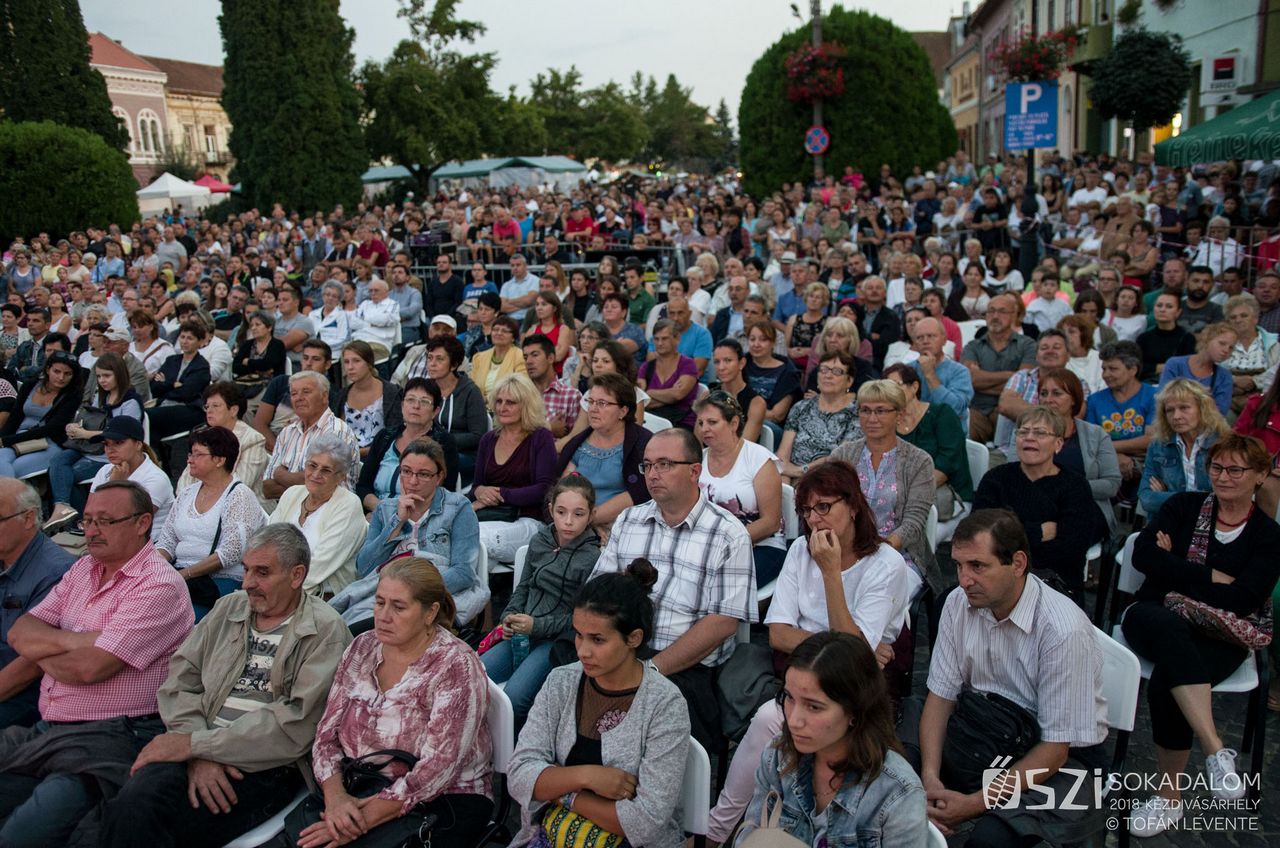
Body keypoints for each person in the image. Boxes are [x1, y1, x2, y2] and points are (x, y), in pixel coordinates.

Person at [100, 524, 353, 848]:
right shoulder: (229, 609)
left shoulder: (325, 630)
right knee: (126, 800)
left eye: (262, 573)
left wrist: (198, 746)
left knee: (144, 812)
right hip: (196, 738)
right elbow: (181, 680)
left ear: (296, 575)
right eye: (246, 570)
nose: (247, 583)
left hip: (265, 767)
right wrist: (197, 747)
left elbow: (296, 725)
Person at [707, 464, 918, 843]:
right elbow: (777, 634)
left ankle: (717, 830)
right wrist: (846, 644)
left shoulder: (885, 564)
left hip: (853, 689)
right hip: (799, 675)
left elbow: (853, 661)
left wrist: (831, 573)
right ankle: (729, 827)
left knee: (771, 718)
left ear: (852, 506)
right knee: (774, 718)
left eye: (824, 507)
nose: (813, 520)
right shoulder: (800, 551)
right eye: (806, 510)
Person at [0, 482, 193, 846]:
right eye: (87, 520)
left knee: (20, 836)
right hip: (49, 729)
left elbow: (89, 669)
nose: (91, 531)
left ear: (142, 523)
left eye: (105, 521)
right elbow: (19, 631)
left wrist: (45, 649)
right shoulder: (83, 570)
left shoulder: (158, 586)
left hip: (109, 737)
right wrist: (75, 641)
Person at [906, 508, 1108, 846]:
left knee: (990, 839)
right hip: (983, 727)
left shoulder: (1062, 631)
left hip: (1059, 757)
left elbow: (1055, 750)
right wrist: (929, 779)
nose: (964, 580)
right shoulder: (957, 602)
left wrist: (973, 804)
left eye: (977, 566)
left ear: (1017, 563)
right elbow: (940, 699)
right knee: (895, 768)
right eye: (958, 565)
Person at [1122, 434, 1280, 835]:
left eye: (1235, 470)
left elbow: (1243, 600)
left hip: (1221, 634)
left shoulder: (1269, 536)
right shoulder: (1184, 506)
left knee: (1167, 679)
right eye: (1217, 468)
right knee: (1170, 628)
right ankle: (1214, 748)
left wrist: (1173, 568)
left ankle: (1169, 798)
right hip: (1153, 613)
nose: (1223, 477)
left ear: (1260, 475)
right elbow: (1143, 556)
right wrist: (1211, 576)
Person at [291, 558, 493, 848]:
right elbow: (326, 734)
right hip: (360, 782)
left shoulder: (455, 665)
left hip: (442, 799)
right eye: (379, 603)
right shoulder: (362, 647)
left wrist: (358, 823)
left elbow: (437, 769)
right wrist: (336, 800)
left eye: (398, 607)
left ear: (430, 612)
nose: (383, 616)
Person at [590, 428, 755, 748]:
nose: (653, 474)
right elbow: (599, 592)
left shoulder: (728, 534)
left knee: (631, 738)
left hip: (684, 667)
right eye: (648, 465)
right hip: (622, 651)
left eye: (664, 464)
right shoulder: (629, 520)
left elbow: (723, 623)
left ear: (695, 471)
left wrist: (650, 670)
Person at [507, 559, 690, 848]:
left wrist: (560, 791)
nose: (583, 651)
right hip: (550, 836)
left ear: (634, 638)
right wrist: (588, 777)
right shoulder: (561, 681)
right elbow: (519, 776)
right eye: (578, 635)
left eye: (598, 640)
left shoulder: (665, 704)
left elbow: (646, 822)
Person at [733, 633, 926, 848]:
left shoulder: (898, 792)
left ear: (855, 710)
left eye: (814, 707)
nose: (794, 720)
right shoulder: (778, 755)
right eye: (789, 697)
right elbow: (750, 838)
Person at [484, 476, 602, 721]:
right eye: (561, 512)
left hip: (555, 641)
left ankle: (518, 745)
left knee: (514, 698)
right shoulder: (539, 540)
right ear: (551, 510)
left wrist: (536, 625)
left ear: (591, 515)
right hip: (522, 632)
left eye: (578, 514)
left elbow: (581, 618)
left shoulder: (593, 558)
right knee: (474, 675)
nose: (568, 521)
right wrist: (508, 616)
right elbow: (523, 586)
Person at [974, 408, 1101, 595]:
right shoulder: (996, 479)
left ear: (1058, 444)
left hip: (1053, 584)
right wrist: (1038, 532)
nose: (1029, 438)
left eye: (1040, 433)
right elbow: (978, 534)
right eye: (1023, 432)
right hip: (995, 579)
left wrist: (1007, 541)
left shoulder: (1075, 487)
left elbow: (1070, 551)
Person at [156, 426, 268, 612]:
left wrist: (185, 575)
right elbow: (166, 542)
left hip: (218, 583)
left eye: (198, 454)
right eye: (190, 454)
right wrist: (153, 569)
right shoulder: (187, 494)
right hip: (181, 577)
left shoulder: (239, 495)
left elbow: (230, 553)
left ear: (219, 460)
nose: (189, 460)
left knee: (171, 616)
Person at [0, 479, 74, 729]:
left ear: (28, 518)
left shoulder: (55, 572)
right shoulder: (6, 557)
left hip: (24, 695)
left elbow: (31, 664)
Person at [43, 353, 144, 529]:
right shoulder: (101, 396)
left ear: (119, 374)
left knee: (67, 476)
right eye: (98, 376)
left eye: (107, 376)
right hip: (88, 447)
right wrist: (75, 427)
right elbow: (93, 419)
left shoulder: (130, 402)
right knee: (57, 462)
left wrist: (85, 433)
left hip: (109, 453)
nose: (102, 380)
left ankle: (82, 519)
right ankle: (63, 507)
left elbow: (122, 434)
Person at [695, 391, 787, 586]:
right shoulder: (699, 460)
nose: (704, 429)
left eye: (712, 422)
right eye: (701, 423)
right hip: (708, 545)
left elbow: (771, 522)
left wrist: (724, 543)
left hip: (761, 545)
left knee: (715, 584)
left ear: (734, 424)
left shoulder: (758, 459)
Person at [472, 374, 557, 565]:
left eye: (510, 402)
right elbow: (476, 485)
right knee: (466, 545)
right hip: (490, 517)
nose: (502, 407)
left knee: (473, 537)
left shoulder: (540, 437)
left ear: (526, 405)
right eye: (499, 401)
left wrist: (500, 495)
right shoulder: (488, 439)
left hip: (528, 520)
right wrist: (480, 491)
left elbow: (544, 489)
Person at [269, 435, 368, 598]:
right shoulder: (291, 494)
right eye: (312, 465)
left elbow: (318, 567)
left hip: (320, 596)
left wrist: (277, 590)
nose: (315, 474)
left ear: (341, 476)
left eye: (326, 470)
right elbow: (268, 543)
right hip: (276, 585)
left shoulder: (348, 505)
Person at [557, 373, 652, 532]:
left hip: (625, 527)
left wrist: (588, 522)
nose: (593, 409)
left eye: (602, 403)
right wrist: (583, 526)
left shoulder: (644, 443)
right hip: (573, 525)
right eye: (591, 402)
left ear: (623, 411)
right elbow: (563, 491)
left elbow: (640, 492)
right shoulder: (577, 444)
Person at [1036, 368, 1123, 533]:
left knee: (1064, 530)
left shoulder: (1096, 434)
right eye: (1044, 393)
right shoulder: (1025, 432)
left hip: (1085, 507)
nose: (1048, 400)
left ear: (1074, 399)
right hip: (1038, 507)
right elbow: (1016, 477)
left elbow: (1111, 484)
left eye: (1057, 393)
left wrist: (1066, 488)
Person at [883, 363, 974, 519]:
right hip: (900, 498)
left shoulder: (942, 414)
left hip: (948, 498)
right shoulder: (889, 422)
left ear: (914, 387)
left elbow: (946, 466)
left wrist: (904, 494)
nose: (891, 393)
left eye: (896, 386)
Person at [358, 377, 459, 508]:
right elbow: (363, 487)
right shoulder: (384, 437)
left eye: (424, 402)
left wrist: (397, 514)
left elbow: (445, 493)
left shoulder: (444, 443)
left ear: (435, 411)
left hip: (419, 515)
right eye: (410, 400)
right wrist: (381, 510)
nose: (416, 406)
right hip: (376, 510)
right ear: (402, 406)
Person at [263, 370, 361, 500]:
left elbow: (325, 486)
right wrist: (303, 481)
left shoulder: (336, 431)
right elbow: (267, 488)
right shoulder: (287, 432)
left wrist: (281, 475)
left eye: (306, 392)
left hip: (330, 508)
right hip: (288, 507)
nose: (299, 398)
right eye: (294, 393)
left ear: (324, 396)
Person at [1139, 379, 1231, 516]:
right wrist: (1200, 499)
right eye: (1170, 410)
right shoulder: (1158, 445)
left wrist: (1169, 496)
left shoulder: (1224, 443)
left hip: (1212, 522)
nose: (1176, 416)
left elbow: (1225, 500)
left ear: (1202, 408)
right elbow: (1147, 499)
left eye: (1184, 408)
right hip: (1168, 521)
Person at [777, 349, 862, 482]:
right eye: (824, 370)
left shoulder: (856, 413)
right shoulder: (801, 407)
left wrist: (800, 471)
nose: (828, 375)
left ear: (849, 381)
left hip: (830, 479)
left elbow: (841, 457)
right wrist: (785, 479)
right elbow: (783, 454)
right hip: (791, 475)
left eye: (837, 371)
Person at [1085, 342, 1157, 485]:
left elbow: (1151, 440)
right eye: (1104, 369)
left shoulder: (1154, 396)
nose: (1106, 375)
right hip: (1105, 462)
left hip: (1148, 464)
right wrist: (1115, 455)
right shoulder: (1095, 400)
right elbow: (1090, 443)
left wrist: (1108, 447)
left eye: (1113, 369)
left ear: (1133, 370)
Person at [995, 329, 1073, 458]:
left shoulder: (1079, 383)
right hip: (1008, 453)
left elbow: (1075, 418)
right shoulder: (1022, 376)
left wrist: (1025, 410)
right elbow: (1006, 405)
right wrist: (1053, 416)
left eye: (1056, 347)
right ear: (1036, 356)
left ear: (1068, 355)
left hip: (1058, 455)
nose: (1050, 351)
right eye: (1044, 348)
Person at [251, 339, 334, 451]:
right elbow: (259, 423)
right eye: (305, 358)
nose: (309, 363)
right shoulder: (280, 382)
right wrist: (279, 452)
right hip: (271, 447)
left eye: (316, 359)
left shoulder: (330, 395)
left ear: (327, 364)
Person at [146, 320, 213, 442]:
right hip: (164, 405)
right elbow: (154, 387)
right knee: (151, 430)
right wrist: (173, 385)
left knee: (146, 415)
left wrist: (165, 384)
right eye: (182, 337)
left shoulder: (201, 366)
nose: (184, 341)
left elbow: (187, 393)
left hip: (188, 409)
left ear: (199, 342)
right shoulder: (171, 360)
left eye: (190, 338)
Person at [336, 340, 403, 453]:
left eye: (356, 361)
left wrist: (360, 452)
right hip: (347, 456)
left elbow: (395, 434)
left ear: (369, 363)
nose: (350, 367)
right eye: (346, 362)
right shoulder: (342, 395)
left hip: (382, 455)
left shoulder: (391, 392)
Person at [1158, 321, 1236, 415]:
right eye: (1222, 343)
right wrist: (1202, 397)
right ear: (1206, 340)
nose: (1226, 350)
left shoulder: (1224, 376)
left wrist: (1183, 396)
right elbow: (1164, 398)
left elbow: (1220, 412)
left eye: (1231, 348)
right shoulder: (1174, 364)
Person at [1224, 293, 1279, 413]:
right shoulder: (1222, 344)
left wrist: (1255, 381)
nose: (1238, 320)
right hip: (1230, 398)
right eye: (1233, 317)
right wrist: (1234, 380)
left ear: (1255, 319)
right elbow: (1213, 370)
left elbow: (1277, 371)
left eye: (1244, 315)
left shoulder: (1273, 344)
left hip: (1265, 400)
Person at [639, 319, 699, 428]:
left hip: (682, 422)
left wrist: (650, 392)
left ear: (677, 338)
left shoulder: (687, 364)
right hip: (652, 420)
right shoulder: (646, 367)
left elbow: (678, 394)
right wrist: (670, 396)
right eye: (656, 339)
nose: (660, 343)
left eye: (664, 339)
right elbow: (641, 401)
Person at [523, 334, 581, 440]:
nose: (528, 362)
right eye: (525, 357)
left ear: (550, 358)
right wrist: (548, 428)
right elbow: (512, 433)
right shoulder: (520, 394)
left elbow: (576, 440)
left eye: (535, 355)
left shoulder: (571, 396)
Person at [712, 339, 767, 443]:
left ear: (742, 363)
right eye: (717, 362)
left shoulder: (756, 403)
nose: (721, 367)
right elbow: (698, 440)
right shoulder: (707, 396)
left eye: (728, 360)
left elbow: (744, 446)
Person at [1137, 292, 1197, 382]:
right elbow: (1136, 367)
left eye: (1169, 306)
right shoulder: (1143, 338)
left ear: (1178, 312)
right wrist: (1158, 367)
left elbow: (1189, 367)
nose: (1162, 310)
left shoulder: (1187, 338)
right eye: (1159, 305)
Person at [471, 315, 528, 405]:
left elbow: (519, 387)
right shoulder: (479, 357)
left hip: (507, 405)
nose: (499, 333)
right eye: (495, 330)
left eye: (504, 331)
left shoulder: (520, 356)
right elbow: (472, 385)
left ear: (513, 337)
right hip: (478, 406)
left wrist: (487, 399)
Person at [523, 290, 576, 376]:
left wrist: (536, 358)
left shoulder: (563, 329)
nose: (539, 308)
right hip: (535, 376)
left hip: (558, 376)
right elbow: (525, 355)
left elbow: (558, 356)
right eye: (537, 304)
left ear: (554, 308)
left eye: (544, 304)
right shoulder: (532, 330)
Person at [231, 312, 286, 391]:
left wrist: (248, 361)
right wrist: (258, 370)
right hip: (246, 383)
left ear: (269, 328)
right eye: (251, 325)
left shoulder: (277, 345)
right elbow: (235, 367)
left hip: (271, 385)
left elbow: (267, 364)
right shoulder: (247, 344)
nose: (253, 328)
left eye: (257, 325)